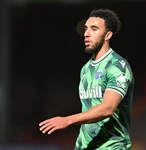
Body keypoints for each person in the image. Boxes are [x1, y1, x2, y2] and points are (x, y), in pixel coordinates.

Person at [39, 9, 134, 150]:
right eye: (86, 29)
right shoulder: (85, 69)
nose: (86, 34)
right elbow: (89, 110)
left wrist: (68, 120)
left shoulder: (117, 66)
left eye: (94, 29)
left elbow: (108, 108)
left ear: (108, 35)